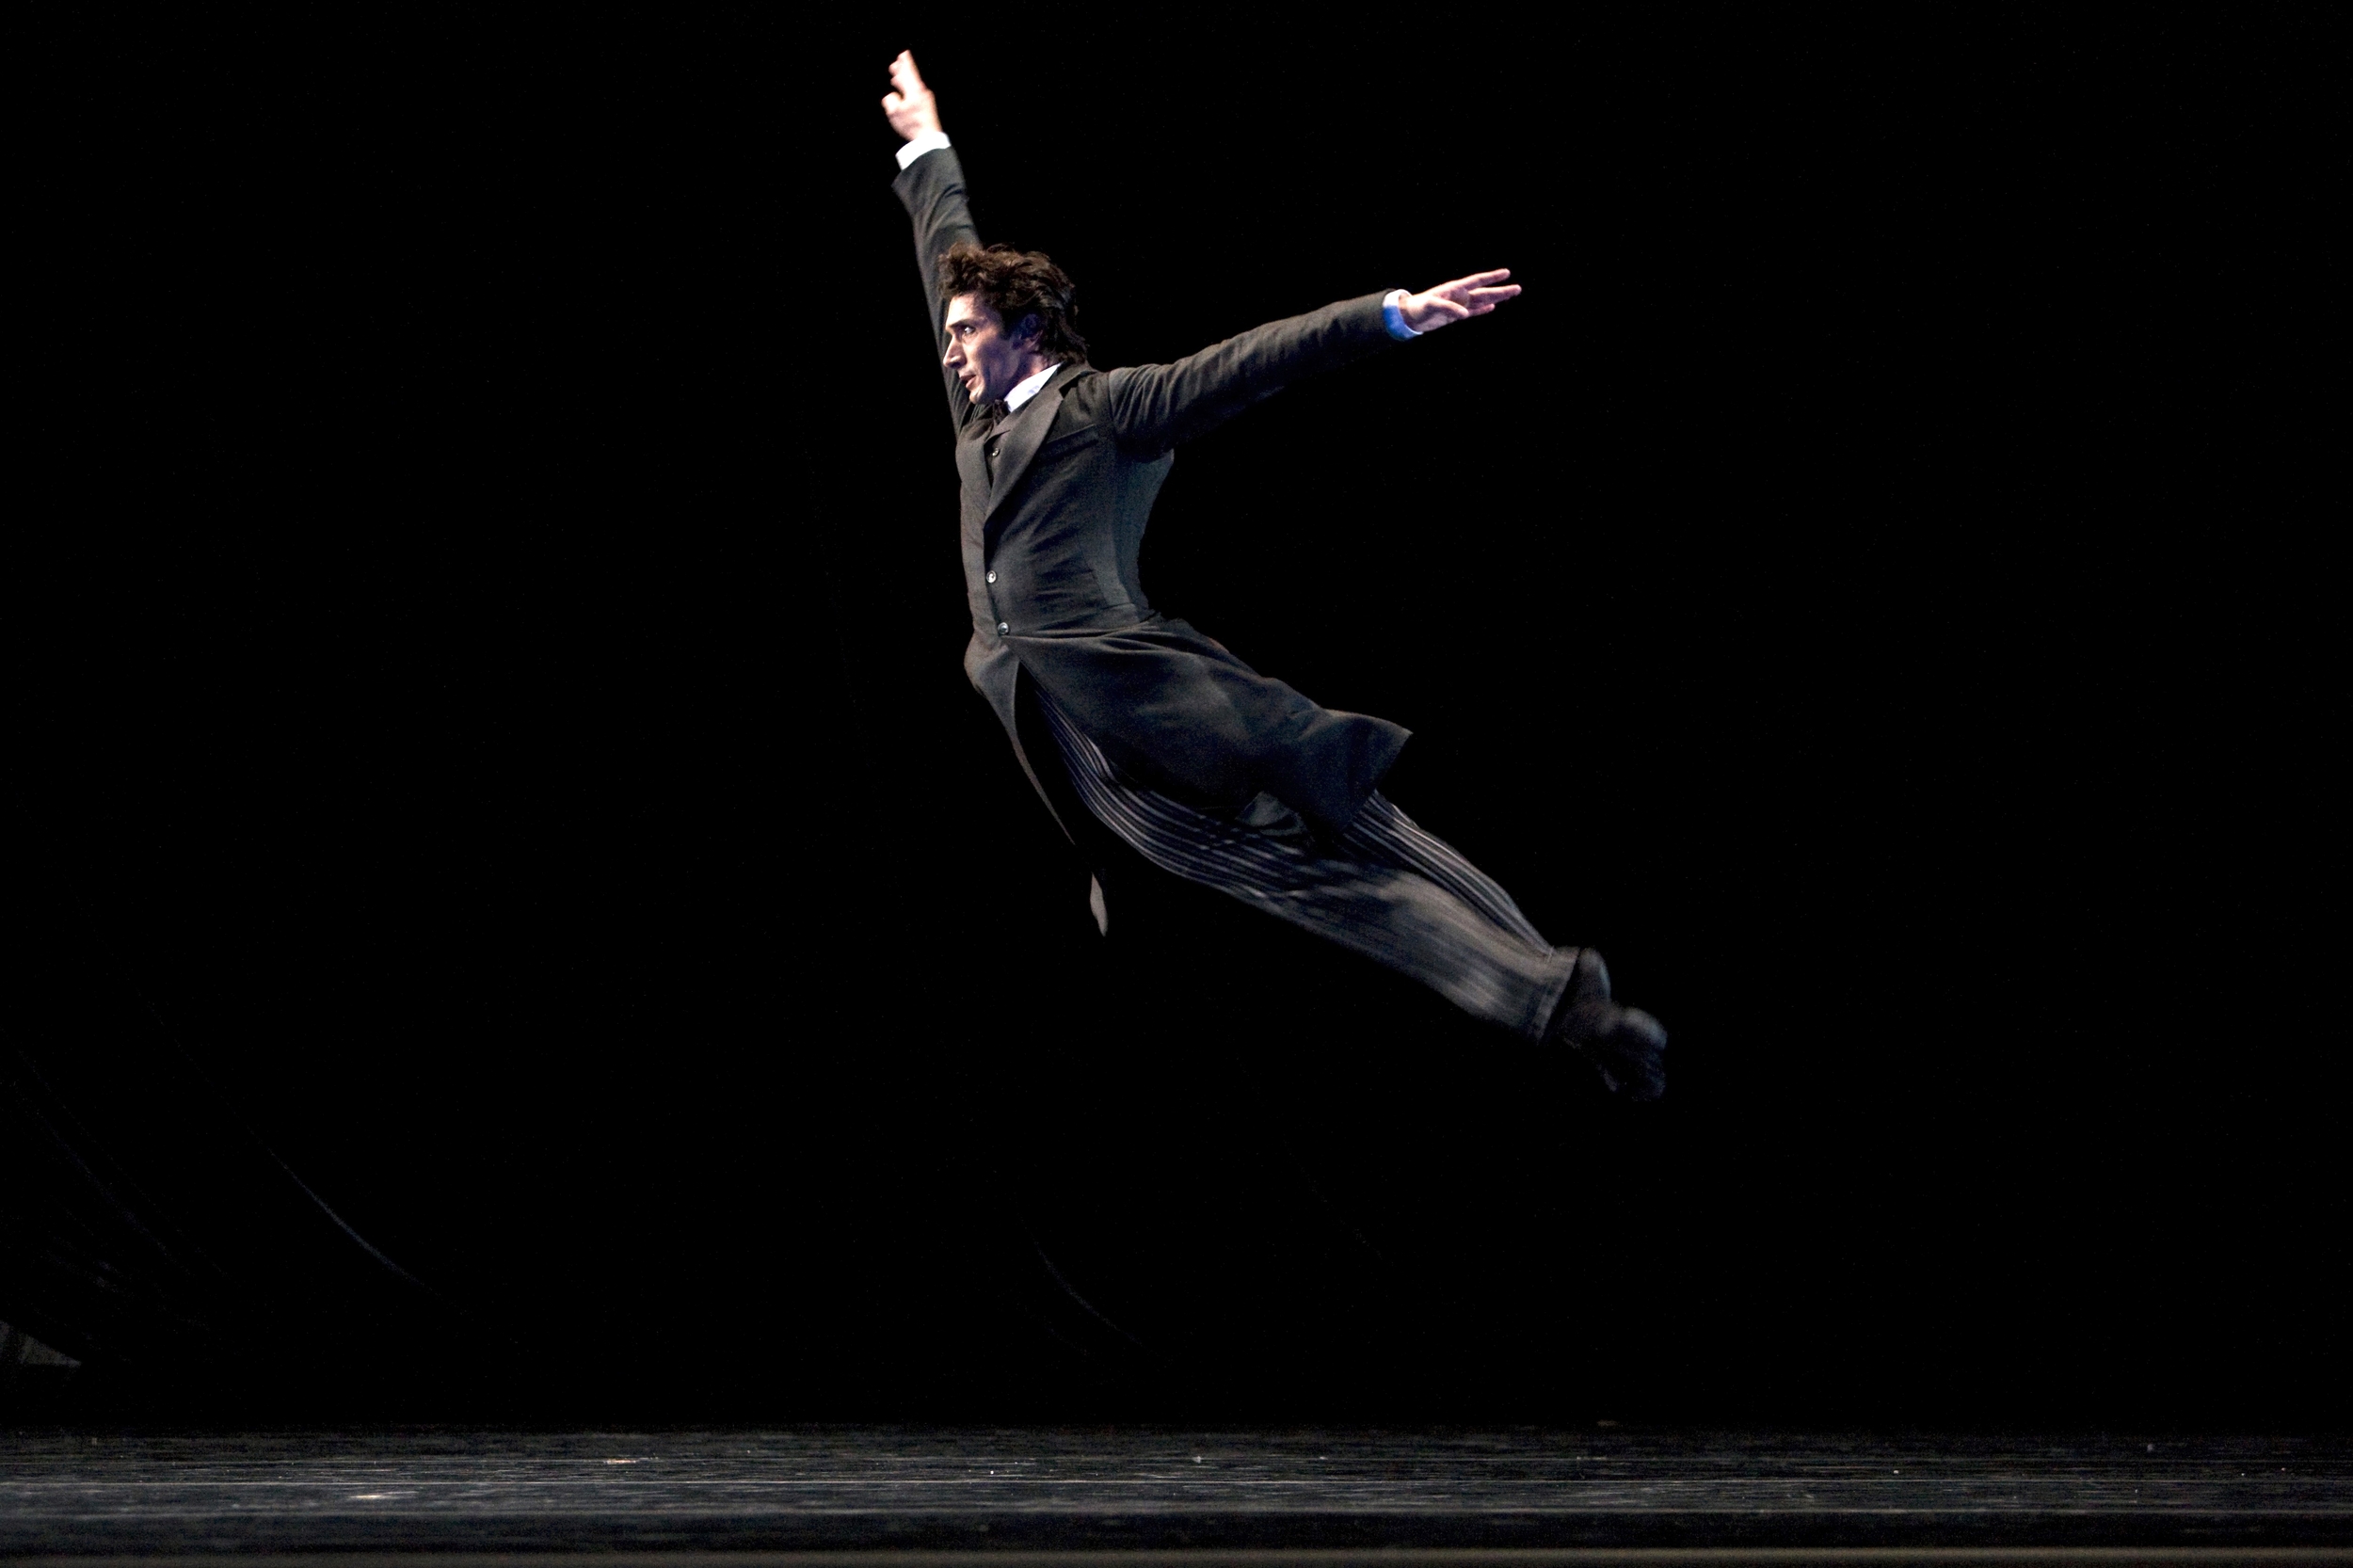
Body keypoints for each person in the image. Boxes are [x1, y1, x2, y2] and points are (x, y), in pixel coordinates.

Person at [882, 51, 1667, 1097]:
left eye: (969, 334)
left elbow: (1250, 361)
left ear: (1027, 333)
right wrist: (926, 145)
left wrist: (1390, 312)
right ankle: (1560, 1003)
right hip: (1082, 747)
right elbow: (949, 247)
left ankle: (1563, 1001)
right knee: (1306, 878)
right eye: (949, 336)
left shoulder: (1108, 409)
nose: (951, 354)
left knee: (1360, 827)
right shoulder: (975, 420)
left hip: (1165, 699)